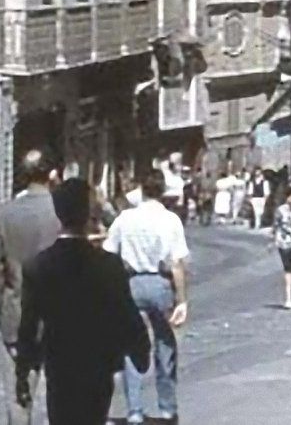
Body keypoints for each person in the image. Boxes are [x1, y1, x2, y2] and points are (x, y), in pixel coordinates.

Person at [16, 178, 152, 425]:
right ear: (87, 214)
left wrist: (23, 369)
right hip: (98, 367)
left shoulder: (38, 266)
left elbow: (28, 324)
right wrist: (140, 350)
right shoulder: (109, 265)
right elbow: (126, 314)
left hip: (60, 367)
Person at [104, 169, 191, 425]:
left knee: (132, 345)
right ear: (162, 191)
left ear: (141, 189)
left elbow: (109, 253)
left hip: (131, 283)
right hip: (160, 283)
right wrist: (182, 299)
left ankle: (134, 410)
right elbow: (177, 263)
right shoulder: (170, 220)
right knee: (165, 344)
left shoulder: (125, 218)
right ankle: (167, 408)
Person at [0, 152, 63, 425]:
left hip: (19, 315)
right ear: (51, 174)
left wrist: (4, 314)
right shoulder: (65, 213)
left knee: (19, 398)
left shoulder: (6, 214)